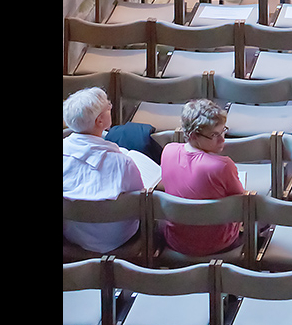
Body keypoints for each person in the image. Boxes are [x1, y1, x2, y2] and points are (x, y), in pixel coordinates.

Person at [63, 86, 164, 254]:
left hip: (74, 232)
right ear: (99, 121)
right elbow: (140, 201)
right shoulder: (122, 162)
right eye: (108, 106)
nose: (111, 107)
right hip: (116, 237)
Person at [155, 99, 249, 256]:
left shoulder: (168, 151)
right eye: (214, 135)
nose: (222, 139)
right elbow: (242, 203)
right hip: (219, 242)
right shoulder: (222, 165)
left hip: (176, 241)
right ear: (193, 136)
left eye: (223, 131)